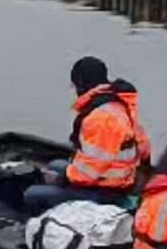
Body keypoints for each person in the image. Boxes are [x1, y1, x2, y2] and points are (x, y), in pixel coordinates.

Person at [23, 56, 151, 213]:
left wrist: (60, 179)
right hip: (122, 181)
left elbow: (90, 173)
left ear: (82, 85)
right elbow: (144, 151)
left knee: (32, 194)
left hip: (106, 192)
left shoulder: (98, 119)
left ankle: (39, 229)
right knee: (56, 164)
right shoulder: (119, 105)